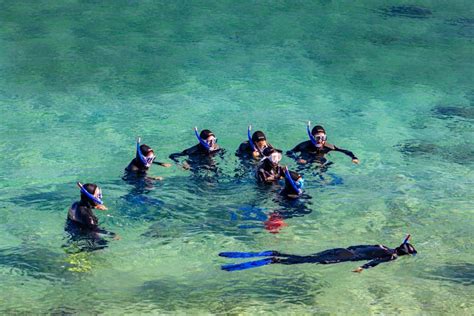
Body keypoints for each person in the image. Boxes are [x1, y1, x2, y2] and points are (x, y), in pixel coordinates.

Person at [219, 235, 417, 272]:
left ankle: (276, 254)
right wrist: (362, 268)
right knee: (306, 261)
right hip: (343, 257)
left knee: (308, 257)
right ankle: (274, 259)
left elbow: (357, 246)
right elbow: (374, 262)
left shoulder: (382, 245)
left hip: (343, 250)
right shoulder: (390, 256)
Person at [65, 182, 117, 251]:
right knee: (105, 245)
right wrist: (112, 235)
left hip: (71, 232)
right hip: (83, 238)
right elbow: (96, 230)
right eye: (98, 195)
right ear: (91, 197)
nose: (99, 197)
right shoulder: (89, 218)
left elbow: (84, 208)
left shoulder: (75, 204)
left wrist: (95, 206)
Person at [287, 122, 359, 165]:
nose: (321, 141)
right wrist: (296, 159)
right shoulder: (304, 146)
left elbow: (345, 151)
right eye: (318, 138)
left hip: (320, 160)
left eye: (323, 138)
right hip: (305, 160)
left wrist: (354, 157)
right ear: (312, 137)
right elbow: (289, 152)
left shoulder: (328, 146)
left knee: (327, 164)